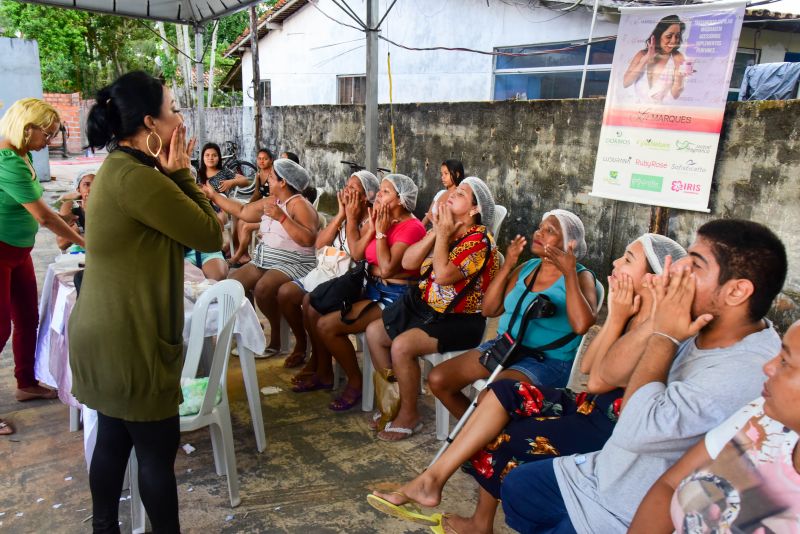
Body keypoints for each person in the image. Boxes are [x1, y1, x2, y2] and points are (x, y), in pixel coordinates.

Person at [367, 234, 686, 533]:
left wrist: (613, 315)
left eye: (627, 259)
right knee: (501, 393)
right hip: (583, 399)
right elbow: (591, 368)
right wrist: (618, 315)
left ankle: (476, 516)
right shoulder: (630, 310)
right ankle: (432, 481)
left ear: (654, 278)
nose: (616, 263)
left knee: (506, 435)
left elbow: (599, 379)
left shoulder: (659, 328)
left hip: (609, 422)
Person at [499, 219, 787, 534]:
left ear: (736, 291)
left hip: (623, 511)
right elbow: (605, 372)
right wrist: (656, 322)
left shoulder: (743, 371)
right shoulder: (695, 318)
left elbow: (631, 430)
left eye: (694, 265)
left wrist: (665, 335)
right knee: (517, 489)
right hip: (601, 473)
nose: (675, 271)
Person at [68, 71, 221, 532]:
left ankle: (104, 527)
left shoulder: (119, 169)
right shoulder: (141, 179)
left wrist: (170, 175)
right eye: (173, 110)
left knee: (114, 437)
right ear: (152, 124)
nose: (180, 119)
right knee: (155, 452)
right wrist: (182, 175)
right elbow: (210, 232)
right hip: (129, 340)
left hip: (103, 332)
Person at [630, 319, 800, 533]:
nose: (768, 367)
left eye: (785, 361)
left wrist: (664, 336)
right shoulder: (760, 417)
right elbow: (670, 484)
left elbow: (635, 432)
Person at [429, 209, 598, 420]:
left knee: (491, 397)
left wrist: (569, 273)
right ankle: (483, 439)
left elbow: (582, 325)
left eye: (550, 231)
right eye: (539, 227)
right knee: (439, 379)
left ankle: (481, 439)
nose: (539, 233)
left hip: (546, 361)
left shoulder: (582, 277)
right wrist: (508, 264)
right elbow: (490, 310)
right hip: (505, 346)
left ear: (570, 243)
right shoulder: (527, 267)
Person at [365, 177, 500, 441]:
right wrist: (438, 232)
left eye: (460, 194)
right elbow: (409, 260)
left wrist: (442, 235)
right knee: (374, 333)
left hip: (459, 320)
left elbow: (443, 276)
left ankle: (409, 413)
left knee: (401, 346)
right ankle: (395, 397)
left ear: (474, 209)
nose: (452, 195)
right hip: (425, 307)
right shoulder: (447, 228)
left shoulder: (479, 242)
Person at [0, 98, 85, 436]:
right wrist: (85, 241)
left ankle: (26, 382)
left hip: (19, 251)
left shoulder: (22, 156)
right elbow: (44, 217)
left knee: (28, 318)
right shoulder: (7, 161)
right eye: (46, 134)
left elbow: (41, 204)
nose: (49, 141)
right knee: (0, 329)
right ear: (27, 127)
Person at [311, 174, 426, 411]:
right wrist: (354, 219)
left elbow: (387, 267)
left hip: (395, 296)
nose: (378, 196)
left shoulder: (411, 227)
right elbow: (356, 252)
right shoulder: (383, 219)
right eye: (380, 190)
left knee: (328, 326)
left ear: (401, 200)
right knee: (319, 314)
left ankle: (367, 388)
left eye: (385, 192)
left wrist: (380, 234)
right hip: (373, 288)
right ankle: (354, 379)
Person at [204, 158, 319, 355]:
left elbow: (308, 239)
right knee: (232, 285)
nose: (268, 182)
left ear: (283, 182)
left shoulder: (299, 205)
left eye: (272, 178)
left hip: (294, 261)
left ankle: (277, 337)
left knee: (263, 288)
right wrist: (214, 196)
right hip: (266, 259)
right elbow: (243, 211)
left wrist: (281, 217)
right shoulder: (272, 201)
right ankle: (251, 332)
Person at [278, 170, 379, 372]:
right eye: (347, 186)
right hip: (325, 271)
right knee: (285, 293)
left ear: (366, 196)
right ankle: (304, 344)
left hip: (347, 280)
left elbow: (357, 254)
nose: (347, 192)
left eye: (354, 189)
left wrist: (350, 218)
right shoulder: (345, 215)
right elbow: (319, 244)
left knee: (310, 303)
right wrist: (341, 215)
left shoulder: (369, 221)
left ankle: (320, 362)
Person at [622, 15, 692, 103]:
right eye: (669, 36)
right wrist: (645, 60)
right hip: (637, 111)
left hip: (662, 114)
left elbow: (675, 95)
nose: (674, 41)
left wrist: (680, 77)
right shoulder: (642, 54)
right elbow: (626, 83)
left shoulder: (679, 58)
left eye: (677, 36)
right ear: (659, 35)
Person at [229, 147, 274, 267]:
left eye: (265, 159)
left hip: (271, 210)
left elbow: (275, 198)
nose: (262, 161)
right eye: (259, 159)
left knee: (244, 224)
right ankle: (242, 253)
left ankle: (238, 255)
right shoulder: (259, 174)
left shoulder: (274, 175)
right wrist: (248, 206)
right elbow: (257, 194)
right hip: (261, 207)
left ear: (271, 160)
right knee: (240, 217)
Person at [56, 169, 96, 251]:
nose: (92, 189)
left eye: (97, 184)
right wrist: (84, 217)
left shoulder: (108, 206)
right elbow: (62, 244)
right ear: (78, 189)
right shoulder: (70, 206)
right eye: (87, 184)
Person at [421, 159, 465, 227]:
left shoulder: (461, 197)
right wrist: (419, 230)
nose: (442, 177)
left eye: (446, 173)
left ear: (457, 174)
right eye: (442, 174)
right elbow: (428, 216)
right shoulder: (440, 193)